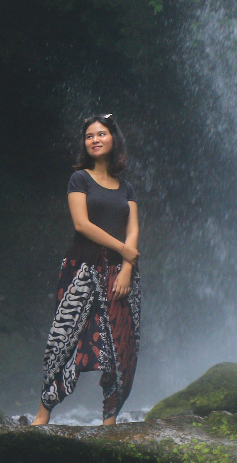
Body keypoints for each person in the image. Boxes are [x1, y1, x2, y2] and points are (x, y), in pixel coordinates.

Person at [32, 113, 141, 426]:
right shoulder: (79, 179)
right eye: (89, 135)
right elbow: (81, 224)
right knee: (65, 336)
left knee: (121, 345)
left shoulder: (126, 188)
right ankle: (42, 416)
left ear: (114, 139)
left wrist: (126, 268)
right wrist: (123, 250)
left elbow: (133, 229)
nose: (95, 139)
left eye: (101, 134)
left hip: (121, 274)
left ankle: (109, 422)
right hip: (82, 269)